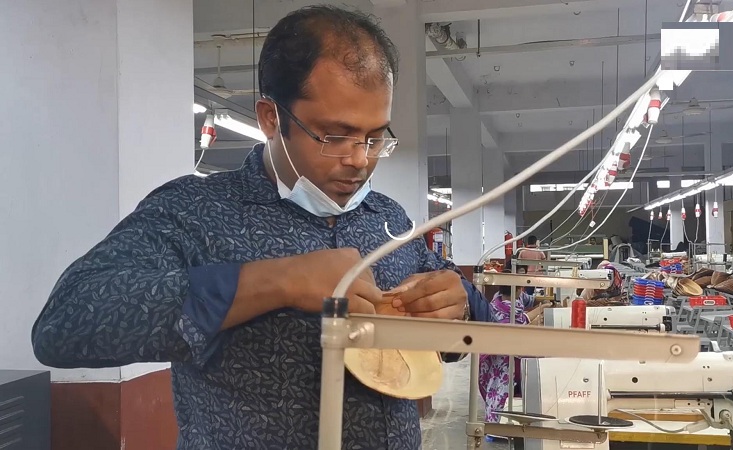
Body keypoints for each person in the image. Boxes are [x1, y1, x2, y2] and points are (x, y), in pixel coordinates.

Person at [31, 6, 488, 449]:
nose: (359, 159)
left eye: (374, 137)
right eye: (335, 136)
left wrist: (460, 304)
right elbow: (64, 325)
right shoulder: (195, 212)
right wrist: (276, 281)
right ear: (272, 118)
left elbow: (467, 313)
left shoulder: (387, 218)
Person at [478, 271, 537, 435]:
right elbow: (522, 321)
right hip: (506, 357)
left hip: (496, 355)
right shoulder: (511, 310)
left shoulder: (496, 302)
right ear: (517, 289)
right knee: (504, 390)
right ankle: (499, 427)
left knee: (494, 388)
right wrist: (542, 309)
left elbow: (523, 317)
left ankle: (492, 423)